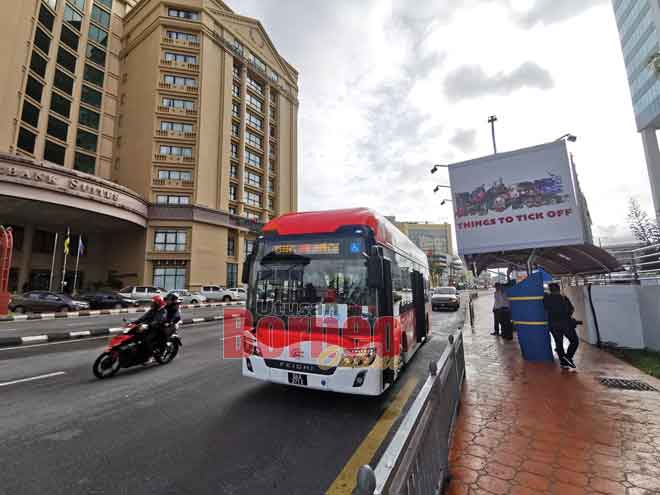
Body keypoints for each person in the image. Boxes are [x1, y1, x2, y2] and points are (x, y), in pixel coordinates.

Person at [543, 283, 578, 369]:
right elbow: (571, 309)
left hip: (553, 325)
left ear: (550, 290)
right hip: (565, 324)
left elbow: (545, 309)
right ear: (558, 289)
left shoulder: (546, 298)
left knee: (559, 343)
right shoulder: (563, 298)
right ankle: (568, 357)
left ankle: (563, 362)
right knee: (574, 341)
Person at [132, 295, 167, 361]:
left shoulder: (163, 311)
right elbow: (144, 317)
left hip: (159, 329)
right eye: (152, 302)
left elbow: (158, 320)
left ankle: (151, 354)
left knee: (146, 340)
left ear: (158, 303)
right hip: (150, 327)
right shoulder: (152, 310)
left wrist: (150, 324)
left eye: (154, 303)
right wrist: (134, 322)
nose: (152, 304)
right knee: (136, 336)